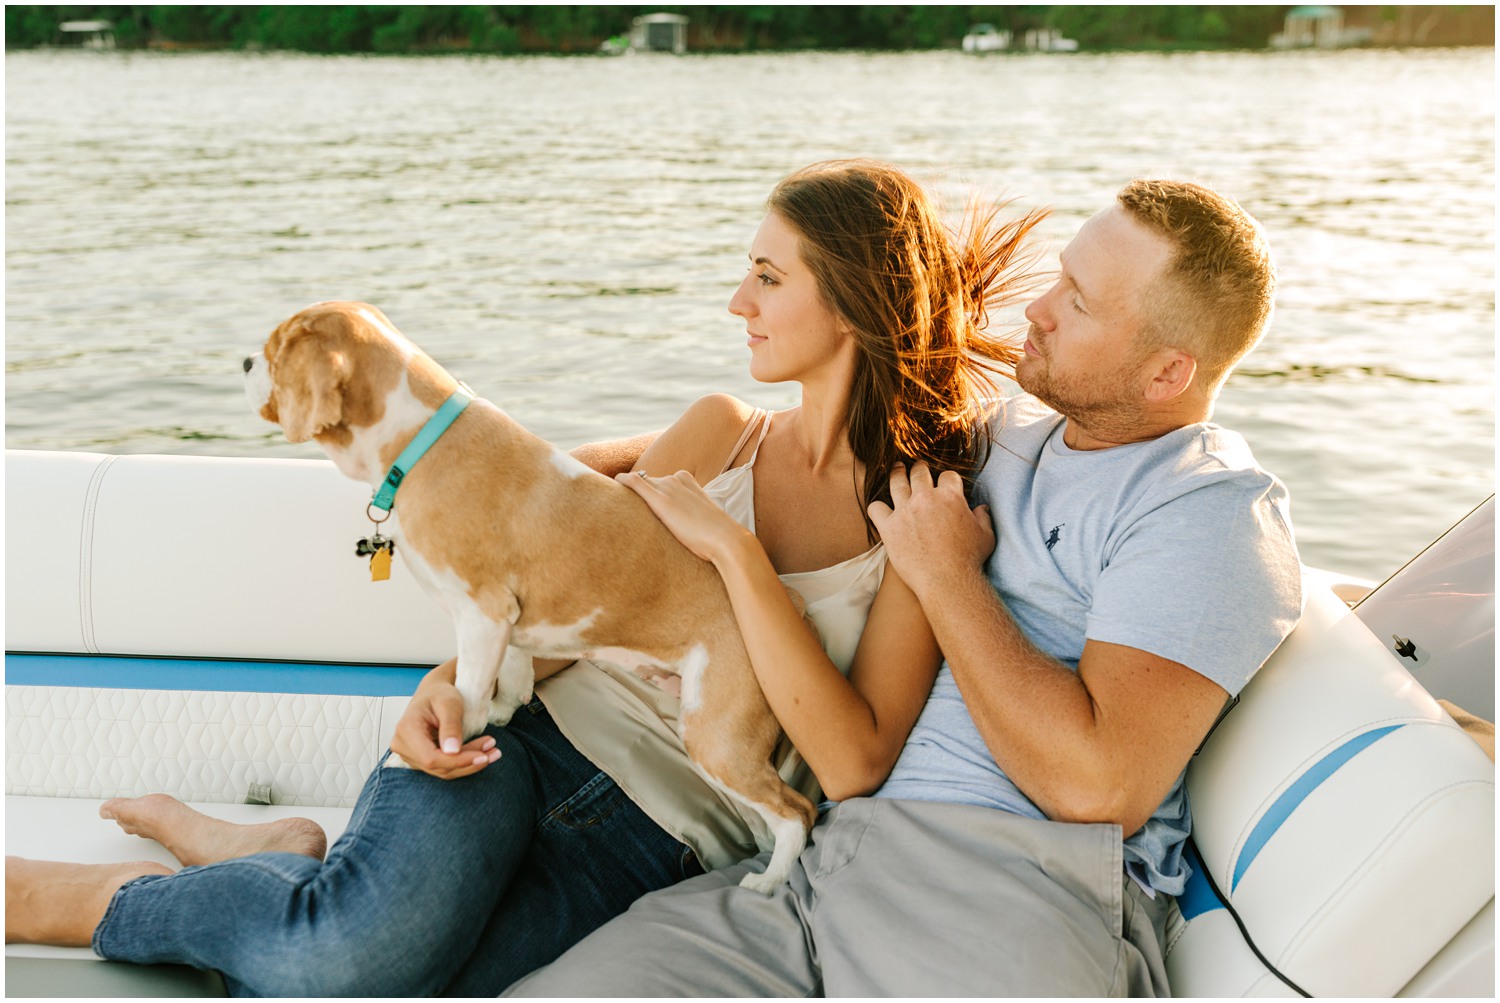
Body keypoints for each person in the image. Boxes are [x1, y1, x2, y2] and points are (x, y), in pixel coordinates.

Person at [4, 160, 1049, 996]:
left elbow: (853, 762)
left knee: (385, 979)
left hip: (666, 836)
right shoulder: (717, 435)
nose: (738, 301)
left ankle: (276, 855)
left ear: (857, 301)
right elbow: (533, 533)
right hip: (519, 747)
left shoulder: (915, 517)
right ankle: (85, 897)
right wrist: (439, 687)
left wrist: (735, 557)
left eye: (769, 278)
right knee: (344, 962)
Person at [503, 179, 1305, 997]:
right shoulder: (997, 435)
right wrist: (565, 481)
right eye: (1059, 277)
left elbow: (1098, 786)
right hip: (818, 866)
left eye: (1082, 304)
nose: (1038, 309)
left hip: (997, 889)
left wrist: (949, 574)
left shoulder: (1202, 513)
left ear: (1169, 372)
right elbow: (763, 438)